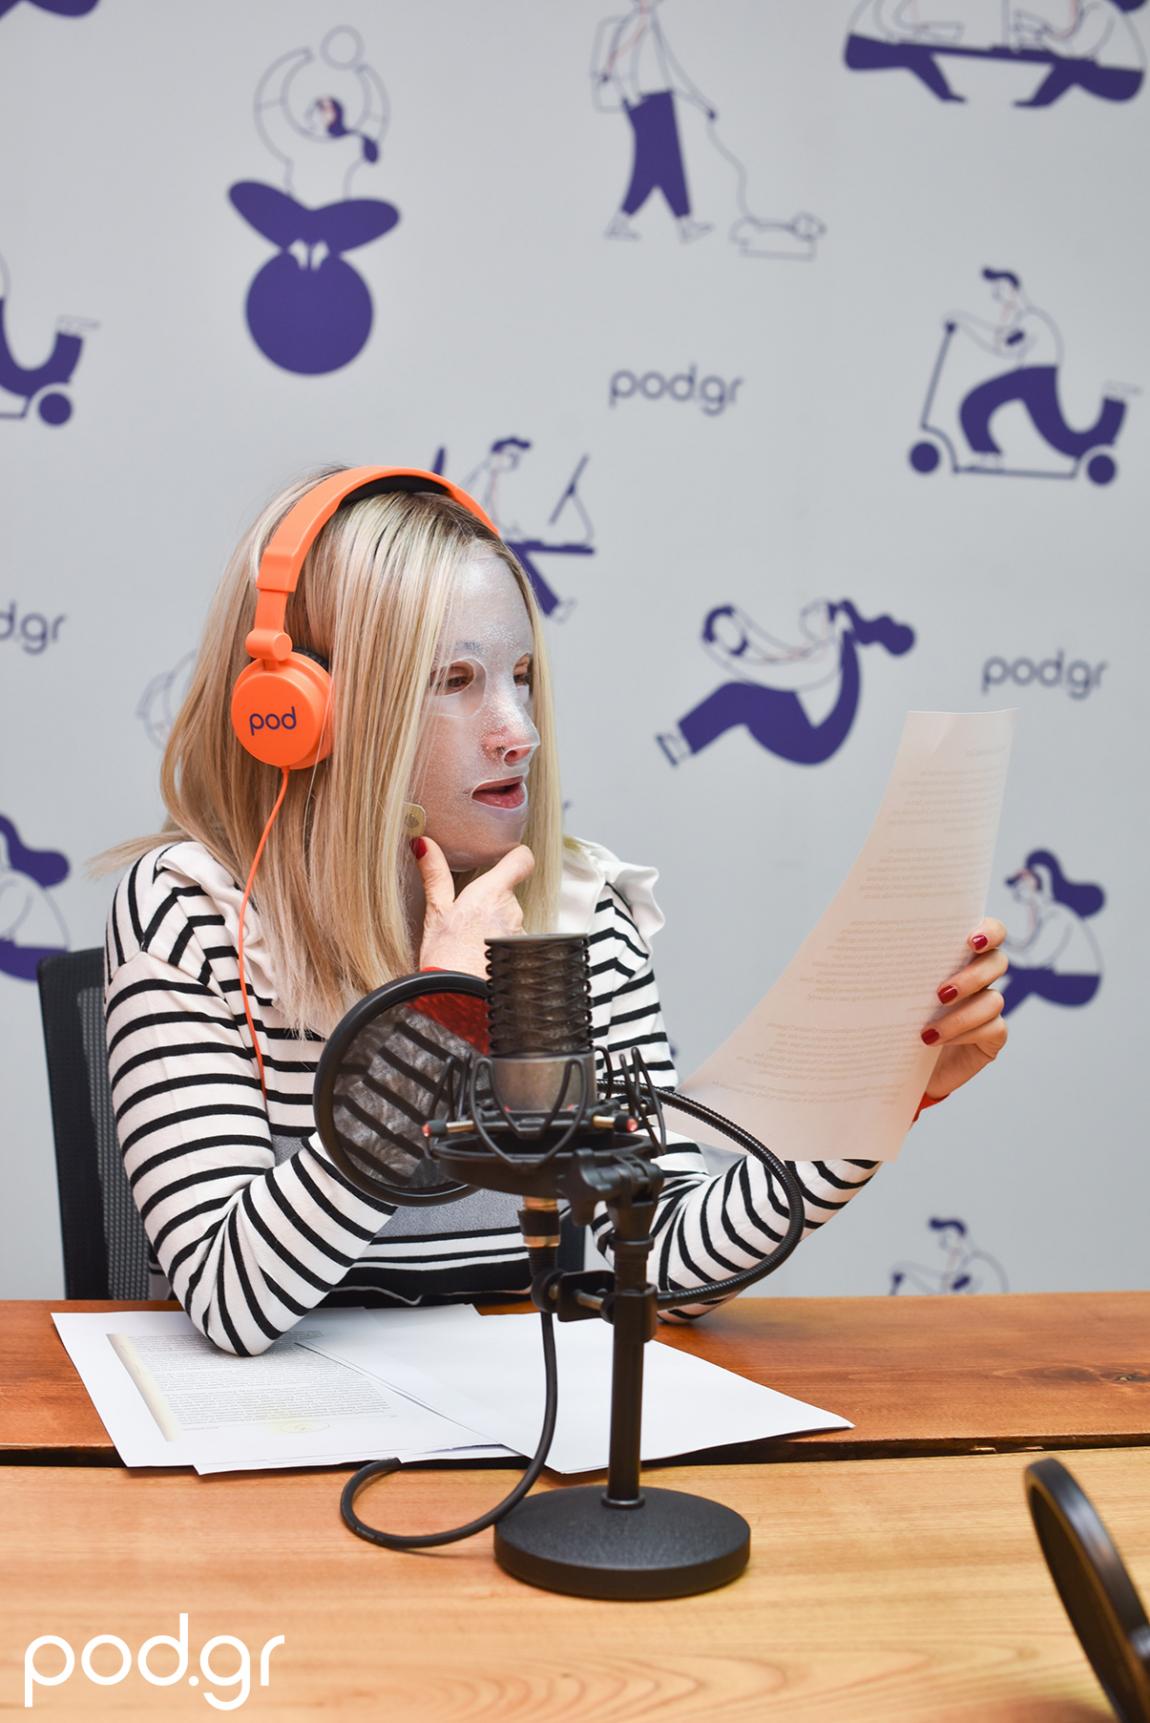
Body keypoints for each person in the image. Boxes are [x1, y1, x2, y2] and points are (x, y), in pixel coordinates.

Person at [99, 468, 1010, 1357]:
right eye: (455, 678)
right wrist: (432, 1021)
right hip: (280, 1435)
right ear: (304, 714)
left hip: (513, 1422)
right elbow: (231, 1298)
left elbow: (663, 1263)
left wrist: (879, 1094)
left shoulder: (575, 911)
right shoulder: (189, 912)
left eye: (522, 674)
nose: (520, 731)